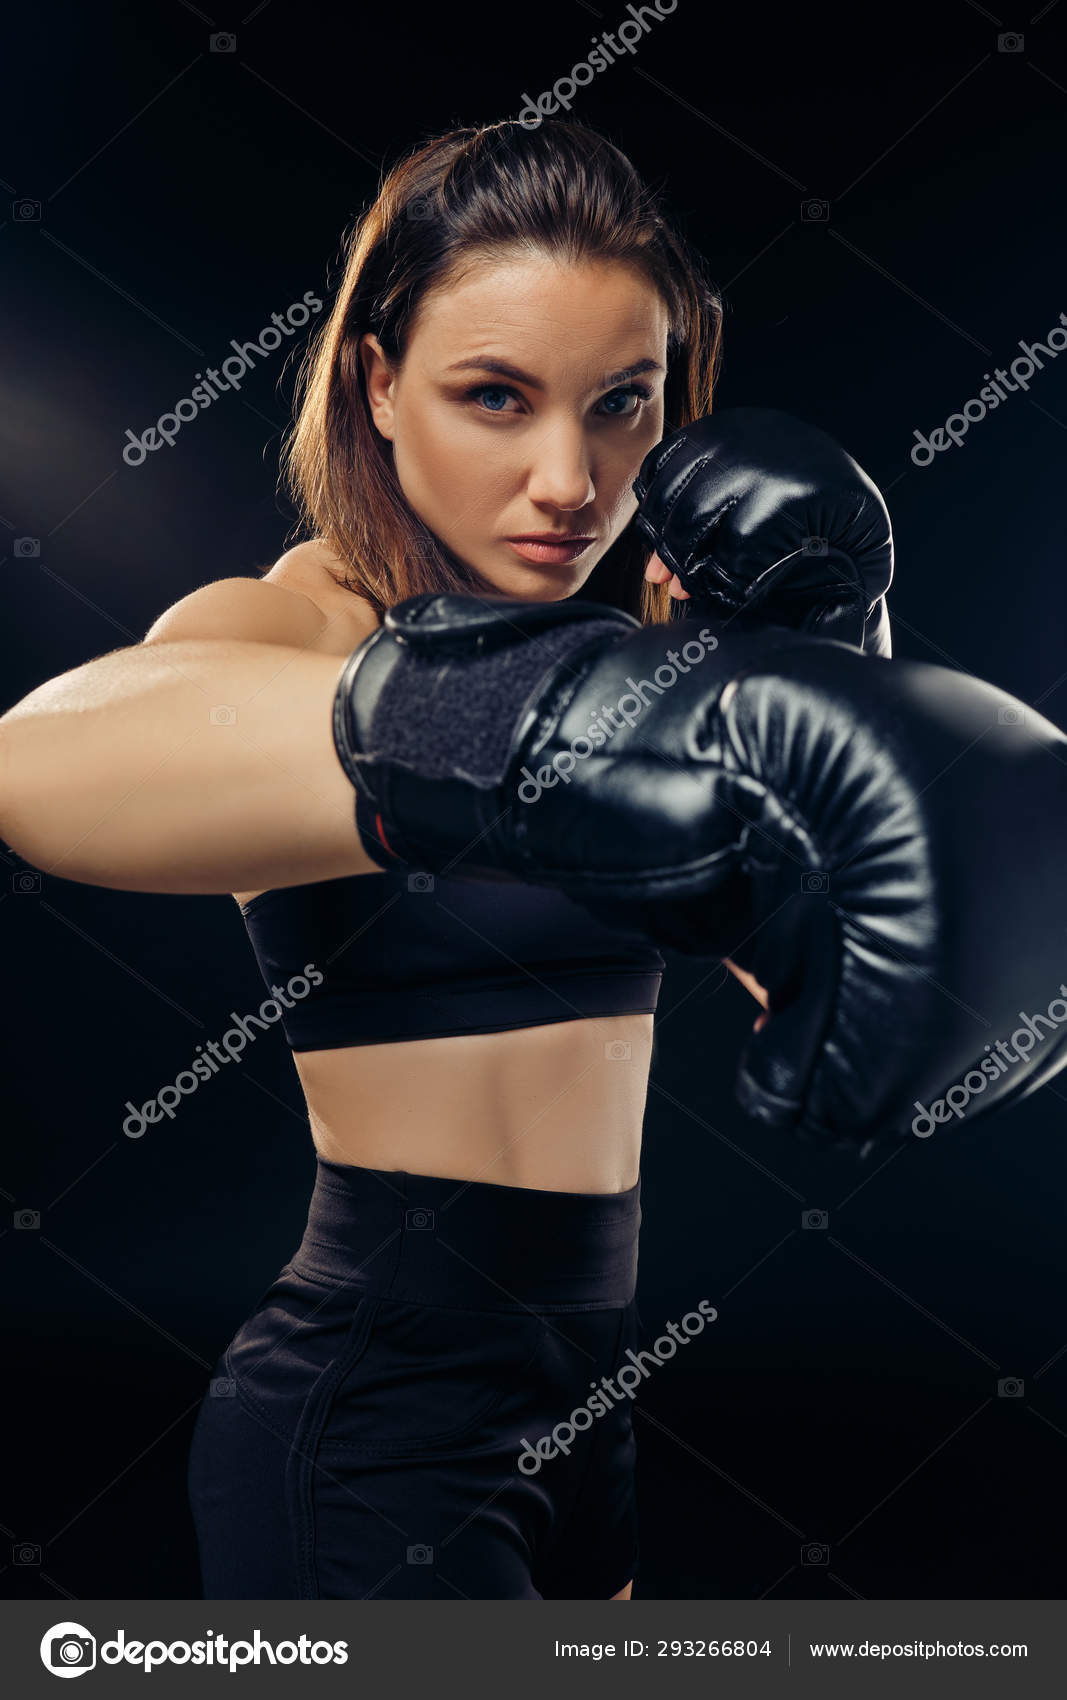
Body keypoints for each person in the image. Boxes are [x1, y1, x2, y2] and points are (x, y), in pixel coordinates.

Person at [0, 119, 902, 1600]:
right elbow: (43, 761)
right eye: (495, 397)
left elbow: (835, 990)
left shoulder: (642, 667)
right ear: (377, 383)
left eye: (624, 406)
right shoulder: (305, 627)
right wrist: (476, 715)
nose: (570, 478)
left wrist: (833, 692)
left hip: (588, 1405)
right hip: (370, 1421)